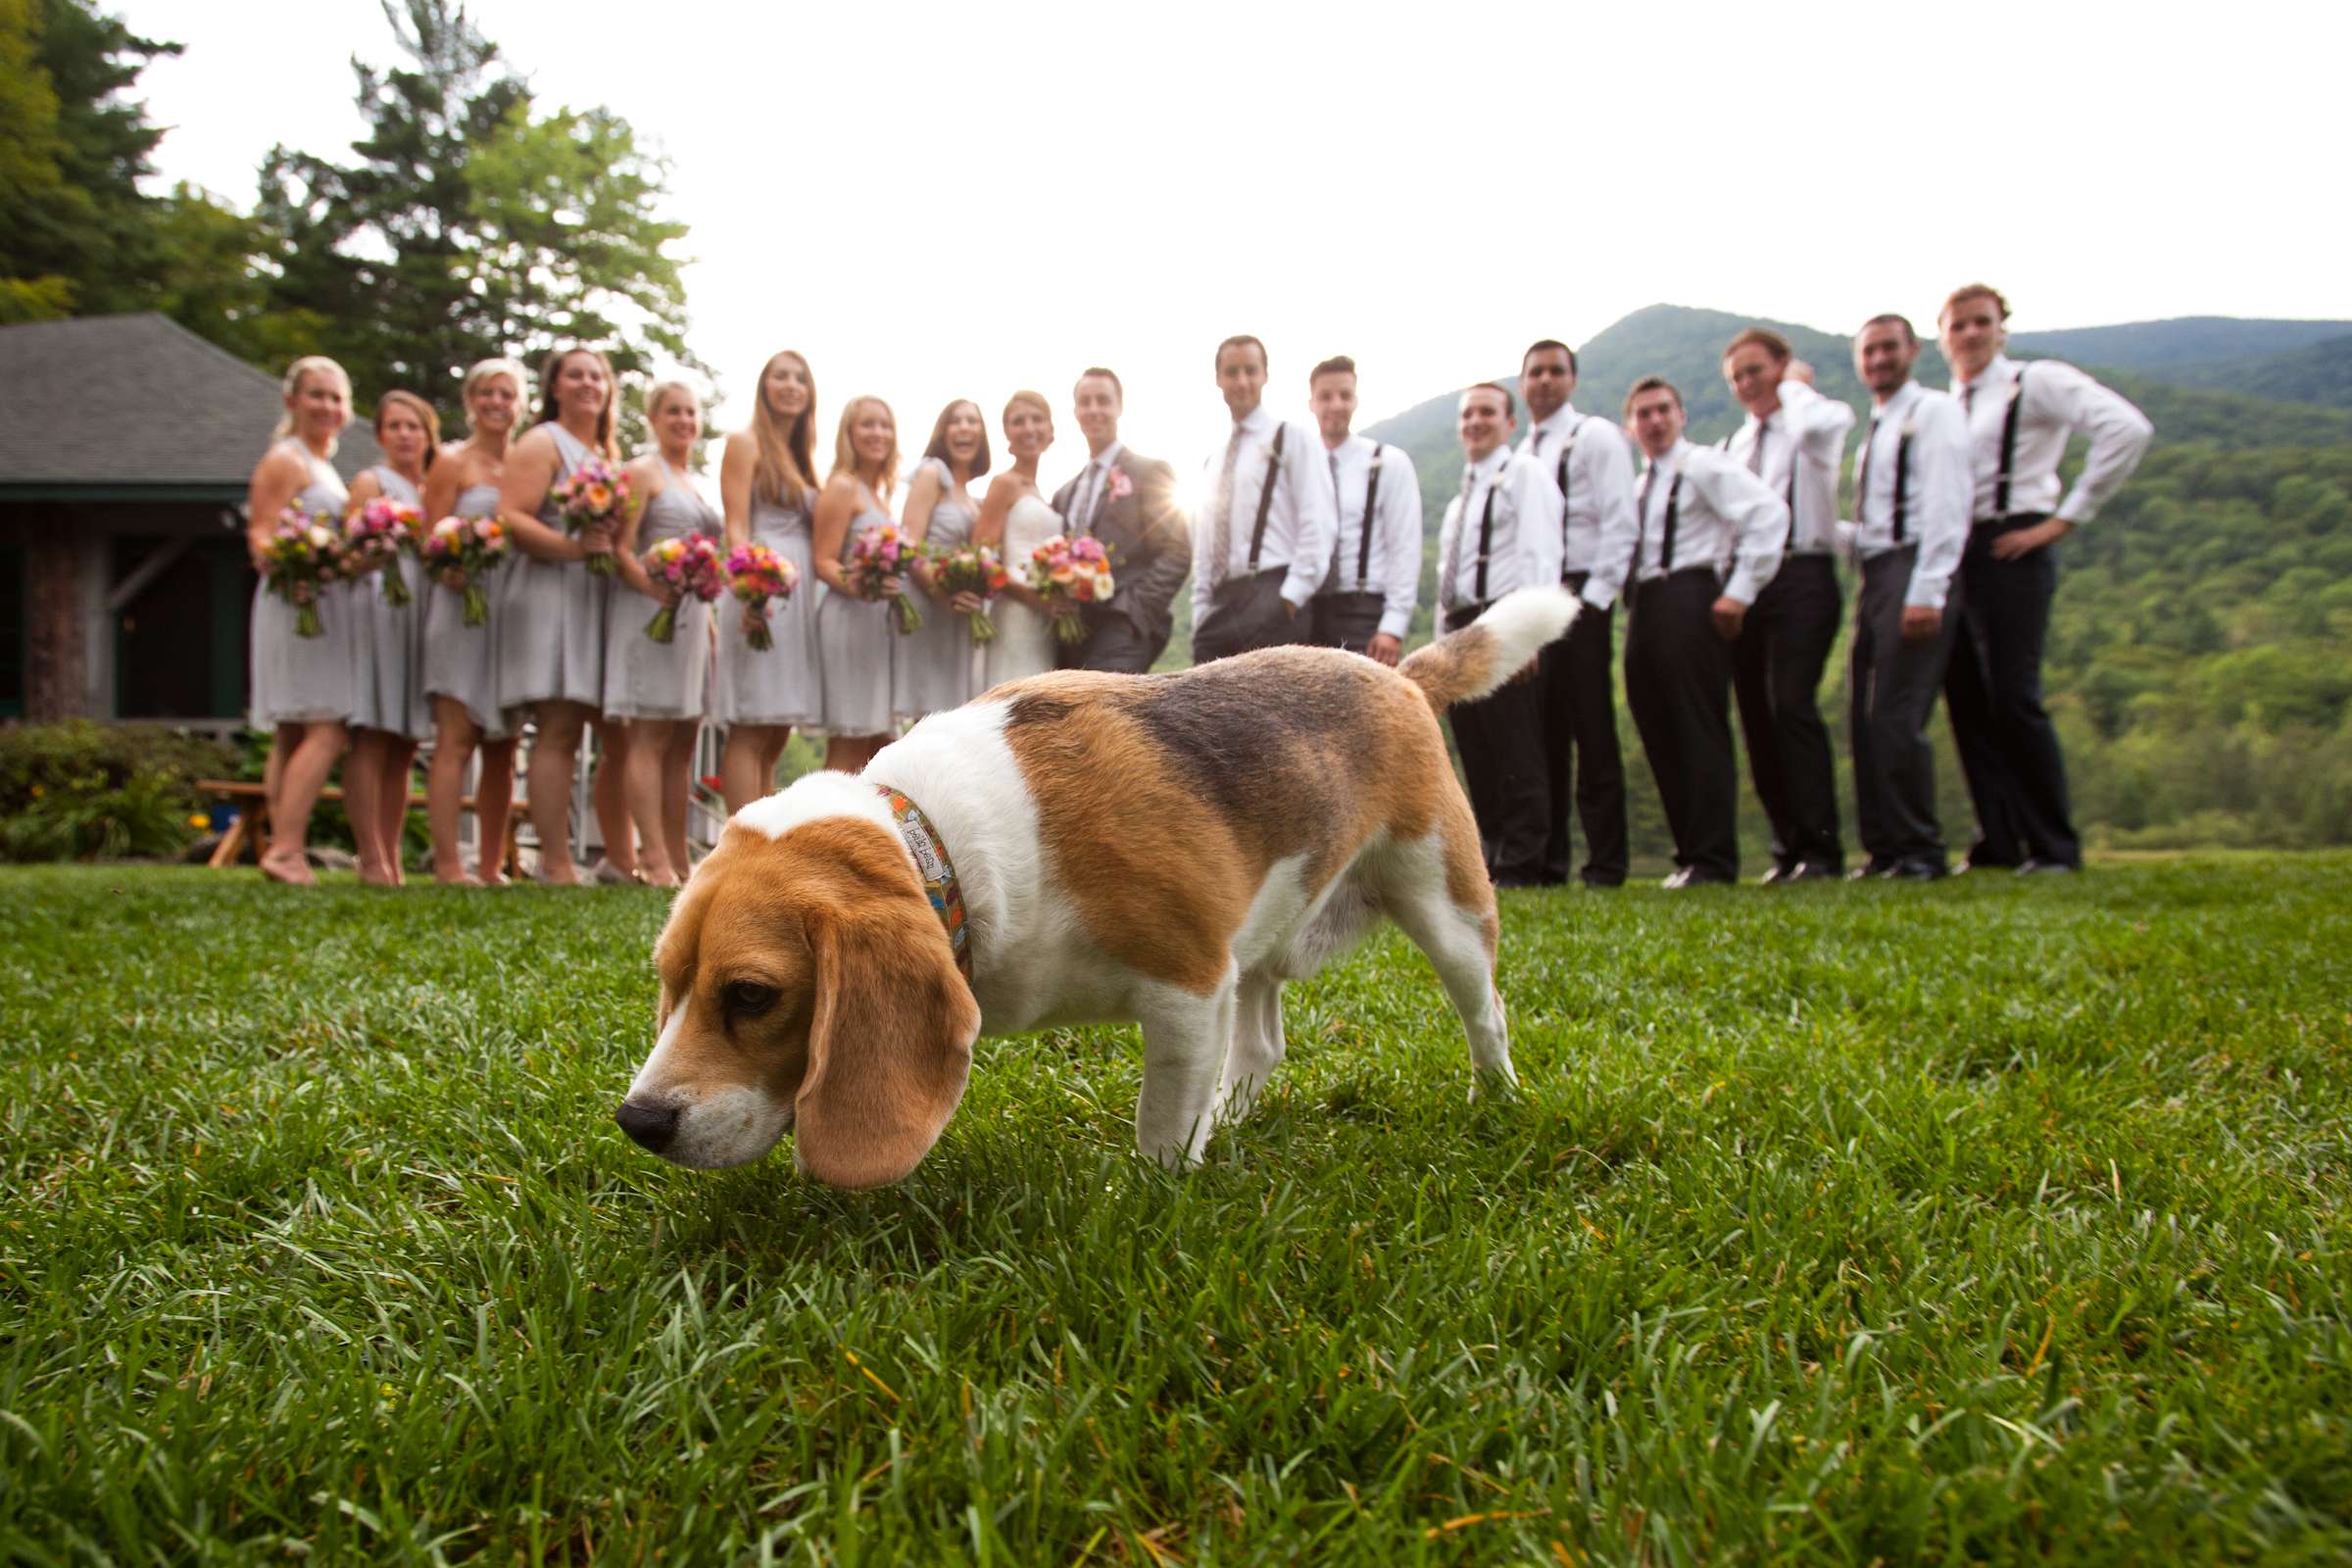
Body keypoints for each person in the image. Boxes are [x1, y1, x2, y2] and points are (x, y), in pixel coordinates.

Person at [1939, 283, 2154, 873]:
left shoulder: (2037, 382)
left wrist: (2063, 521)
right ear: (1943, 337)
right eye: (1958, 325)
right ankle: (1998, 840)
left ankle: (2054, 843)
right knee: (1968, 700)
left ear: (2002, 329)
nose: (1971, 334)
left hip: (2013, 542)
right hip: (1954, 553)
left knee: (2013, 697)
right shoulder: (1947, 404)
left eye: (1982, 322)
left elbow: (2127, 429)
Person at [1621, 376, 1789, 888]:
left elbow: (1768, 514)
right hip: (1644, 605)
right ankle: (1689, 853)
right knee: (1657, 726)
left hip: (1691, 595)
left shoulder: (1704, 465)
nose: (1654, 421)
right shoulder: (1639, 485)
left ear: (1681, 414)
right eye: (1643, 414)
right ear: (1632, 427)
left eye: (1662, 410)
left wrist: (1738, 590)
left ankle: (1715, 857)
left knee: (1698, 726)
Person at [1718, 329, 1855, 882]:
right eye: (1738, 377)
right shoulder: (1735, 446)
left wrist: (1797, 388)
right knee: (1756, 715)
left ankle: (1823, 849)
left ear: (1783, 365)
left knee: (1792, 704)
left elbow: (1816, 424)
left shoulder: (1813, 426)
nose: (1749, 384)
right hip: (1750, 584)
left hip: (1804, 572)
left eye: (1757, 370)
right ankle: (1787, 848)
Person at [497, 345, 631, 885]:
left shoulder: (606, 453)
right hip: (553, 596)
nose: (587, 383)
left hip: (601, 600)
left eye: (596, 375)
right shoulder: (541, 441)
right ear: (554, 387)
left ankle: (619, 857)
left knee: (620, 735)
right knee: (558, 728)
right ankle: (554, 860)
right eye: (574, 375)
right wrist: (572, 547)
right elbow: (510, 517)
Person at [1843, 315, 1971, 880]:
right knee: (1865, 716)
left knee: (1897, 714)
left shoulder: (1934, 412)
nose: (1877, 360)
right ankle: (1885, 849)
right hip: (1873, 572)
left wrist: (1927, 588)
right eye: (1868, 352)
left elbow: (1947, 502)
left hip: (1912, 567)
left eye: (1888, 348)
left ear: (1913, 350)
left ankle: (1921, 848)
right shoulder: (1878, 425)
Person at [1517, 339, 1640, 889]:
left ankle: (1607, 863)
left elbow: (1620, 521)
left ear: (1572, 379)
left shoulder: (1595, 436)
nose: (1544, 380)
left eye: (1555, 371)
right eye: (1535, 372)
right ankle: (1550, 861)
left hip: (1582, 595)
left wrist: (1595, 602)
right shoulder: (1522, 454)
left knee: (1592, 732)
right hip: (1535, 604)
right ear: (1523, 384)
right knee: (1544, 735)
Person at [1433, 383, 1562, 886]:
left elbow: (1538, 549)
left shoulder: (1524, 473)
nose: (1475, 421)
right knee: (1478, 746)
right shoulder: (1460, 499)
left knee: (1516, 745)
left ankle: (1525, 860)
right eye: (1467, 414)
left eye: (1487, 412)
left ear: (1511, 423)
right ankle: (1490, 854)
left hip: (1502, 616)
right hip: (1462, 625)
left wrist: (1527, 632)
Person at [244, 356, 356, 886]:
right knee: (326, 728)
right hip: (297, 600)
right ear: (292, 401)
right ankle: (286, 849)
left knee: (293, 730)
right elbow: (260, 536)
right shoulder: (285, 459)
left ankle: (282, 846)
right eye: (317, 395)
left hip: (318, 602)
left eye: (336, 397)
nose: (328, 406)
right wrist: (299, 565)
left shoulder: (323, 463)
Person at [606, 380, 717, 888]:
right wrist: (652, 590)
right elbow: (620, 549)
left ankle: (677, 856)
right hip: (651, 617)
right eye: (673, 411)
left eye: (690, 413)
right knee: (649, 736)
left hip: (693, 619)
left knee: (682, 741)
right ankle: (649, 855)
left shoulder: (693, 481)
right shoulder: (642, 472)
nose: (683, 421)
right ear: (652, 417)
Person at [419, 357, 524, 886]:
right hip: (461, 609)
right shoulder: (451, 463)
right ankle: (447, 863)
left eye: (506, 394)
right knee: (455, 740)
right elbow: (426, 537)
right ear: (470, 401)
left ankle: (491, 864)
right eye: (486, 393)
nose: (496, 403)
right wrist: (449, 563)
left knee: (503, 748)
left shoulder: (525, 465)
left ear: (519, 403)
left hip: (511, 611)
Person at [713, 350, 823, 812]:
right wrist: (750, 589)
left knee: (778, 727)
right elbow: (736, 524)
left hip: (798, 600)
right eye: (781, 376)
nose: (791, 385)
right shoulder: (744, 443)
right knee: (753, 722)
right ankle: (737, 838)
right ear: (764, 386)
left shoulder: (804, 460)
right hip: (762, 593)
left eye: (800, 378)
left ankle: (759, 834)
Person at [1191, 335, 1338, 662]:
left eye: (1250, 370)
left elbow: (1318, 521)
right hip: (1219, 605)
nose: (1241, 381)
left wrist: (1290, 598)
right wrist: (1201, 610)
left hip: (1274, 595)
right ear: (1219, 379)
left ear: (1264, 375)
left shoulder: (1292, 438)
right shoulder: (1213, 461)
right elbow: (1204, 545)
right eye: (1232, 372)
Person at [342, 390, 437, 886]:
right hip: (377, 608)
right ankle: (370, 855)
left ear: (428, 434)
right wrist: (374, 551)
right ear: (380, 433)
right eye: (395, 426)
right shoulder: (369, 482)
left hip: (420, 612)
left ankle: (393, 854)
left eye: (414, 426)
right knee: (372, 732)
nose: (405, 434)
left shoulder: (433, 488)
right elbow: (346, 558)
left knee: (405, 741)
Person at [1050, 368, 1187, 671]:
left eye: (1103, 400)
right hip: (1071, 635)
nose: (1094, 409)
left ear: (1119, 407)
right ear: (1075, 411)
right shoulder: (1064, 493)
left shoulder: (1148, 471)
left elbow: (1177, 550)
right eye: (1085, 402)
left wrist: (1134, 610)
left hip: (1124, 626)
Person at [1302, 356, 1420, 663]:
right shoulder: (1299, 468)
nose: (1336, 405)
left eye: (1345, 395)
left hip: (1363, 612)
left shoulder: (1389, 463)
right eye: (1325, 397)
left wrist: (1392, 626)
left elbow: (1405, 548)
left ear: (1356, 400)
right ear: (1311, 403)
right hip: (1305, 613)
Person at [810, 395, 903, 773]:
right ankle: (820, 830)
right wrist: (862, 586)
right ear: (849, 432)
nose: (877, 433)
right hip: (848, 618)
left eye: (884, 425)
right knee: (850, 738)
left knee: (880, 744)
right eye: (867, 424)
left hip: (876, 626)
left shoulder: (881, 499)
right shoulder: (843, 486)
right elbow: (823, 561)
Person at [895, 400, 990, 720]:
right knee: (927, 717)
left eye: (972, 421)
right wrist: (941, 591)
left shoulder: (973, 497)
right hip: (928, 608)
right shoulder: (932, 472)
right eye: (956, 421)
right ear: (943, 431)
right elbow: (910, 544)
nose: (964, 427)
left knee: (950, 719)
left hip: (957, 617)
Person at [974, 390, 1062, 685]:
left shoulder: (1043, 493)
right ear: (1007, 434)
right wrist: (1033, 598)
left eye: (1037, 419)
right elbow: (983, 559)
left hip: (1045, 618)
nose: (1029, 428)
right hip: (1015, 613)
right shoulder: (1003, 484)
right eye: (1018, 421)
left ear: (1051, 431)